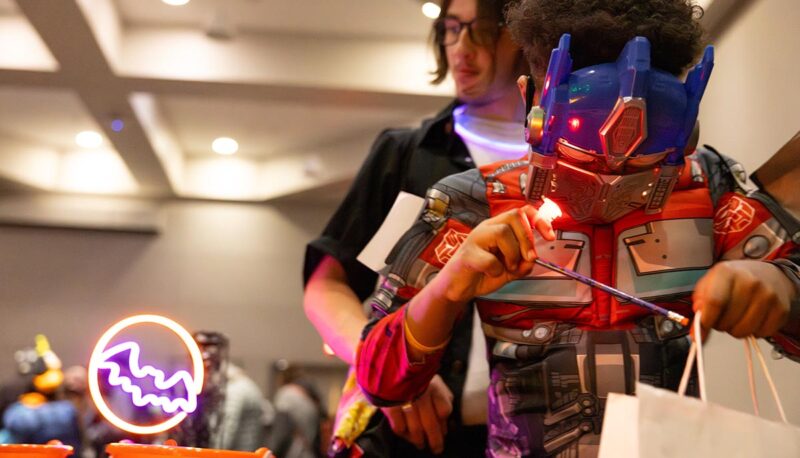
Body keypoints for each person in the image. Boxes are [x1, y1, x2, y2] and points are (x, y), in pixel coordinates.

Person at [355, 1, 800, 457]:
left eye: (640, 163)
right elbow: (378, 380)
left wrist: (779, 286)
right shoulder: (472, 204)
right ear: (533, 107)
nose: (608, 182)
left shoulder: (707, 188)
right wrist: (445, 291)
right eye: (582, 158)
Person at [302, 0, 528, 455]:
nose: (460, 48)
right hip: (413, 437)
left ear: (522, 34)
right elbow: (325, 288)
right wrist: (390, 363)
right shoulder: (407, 155)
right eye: (451, 28)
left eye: (480, 30)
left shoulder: (570, 162)